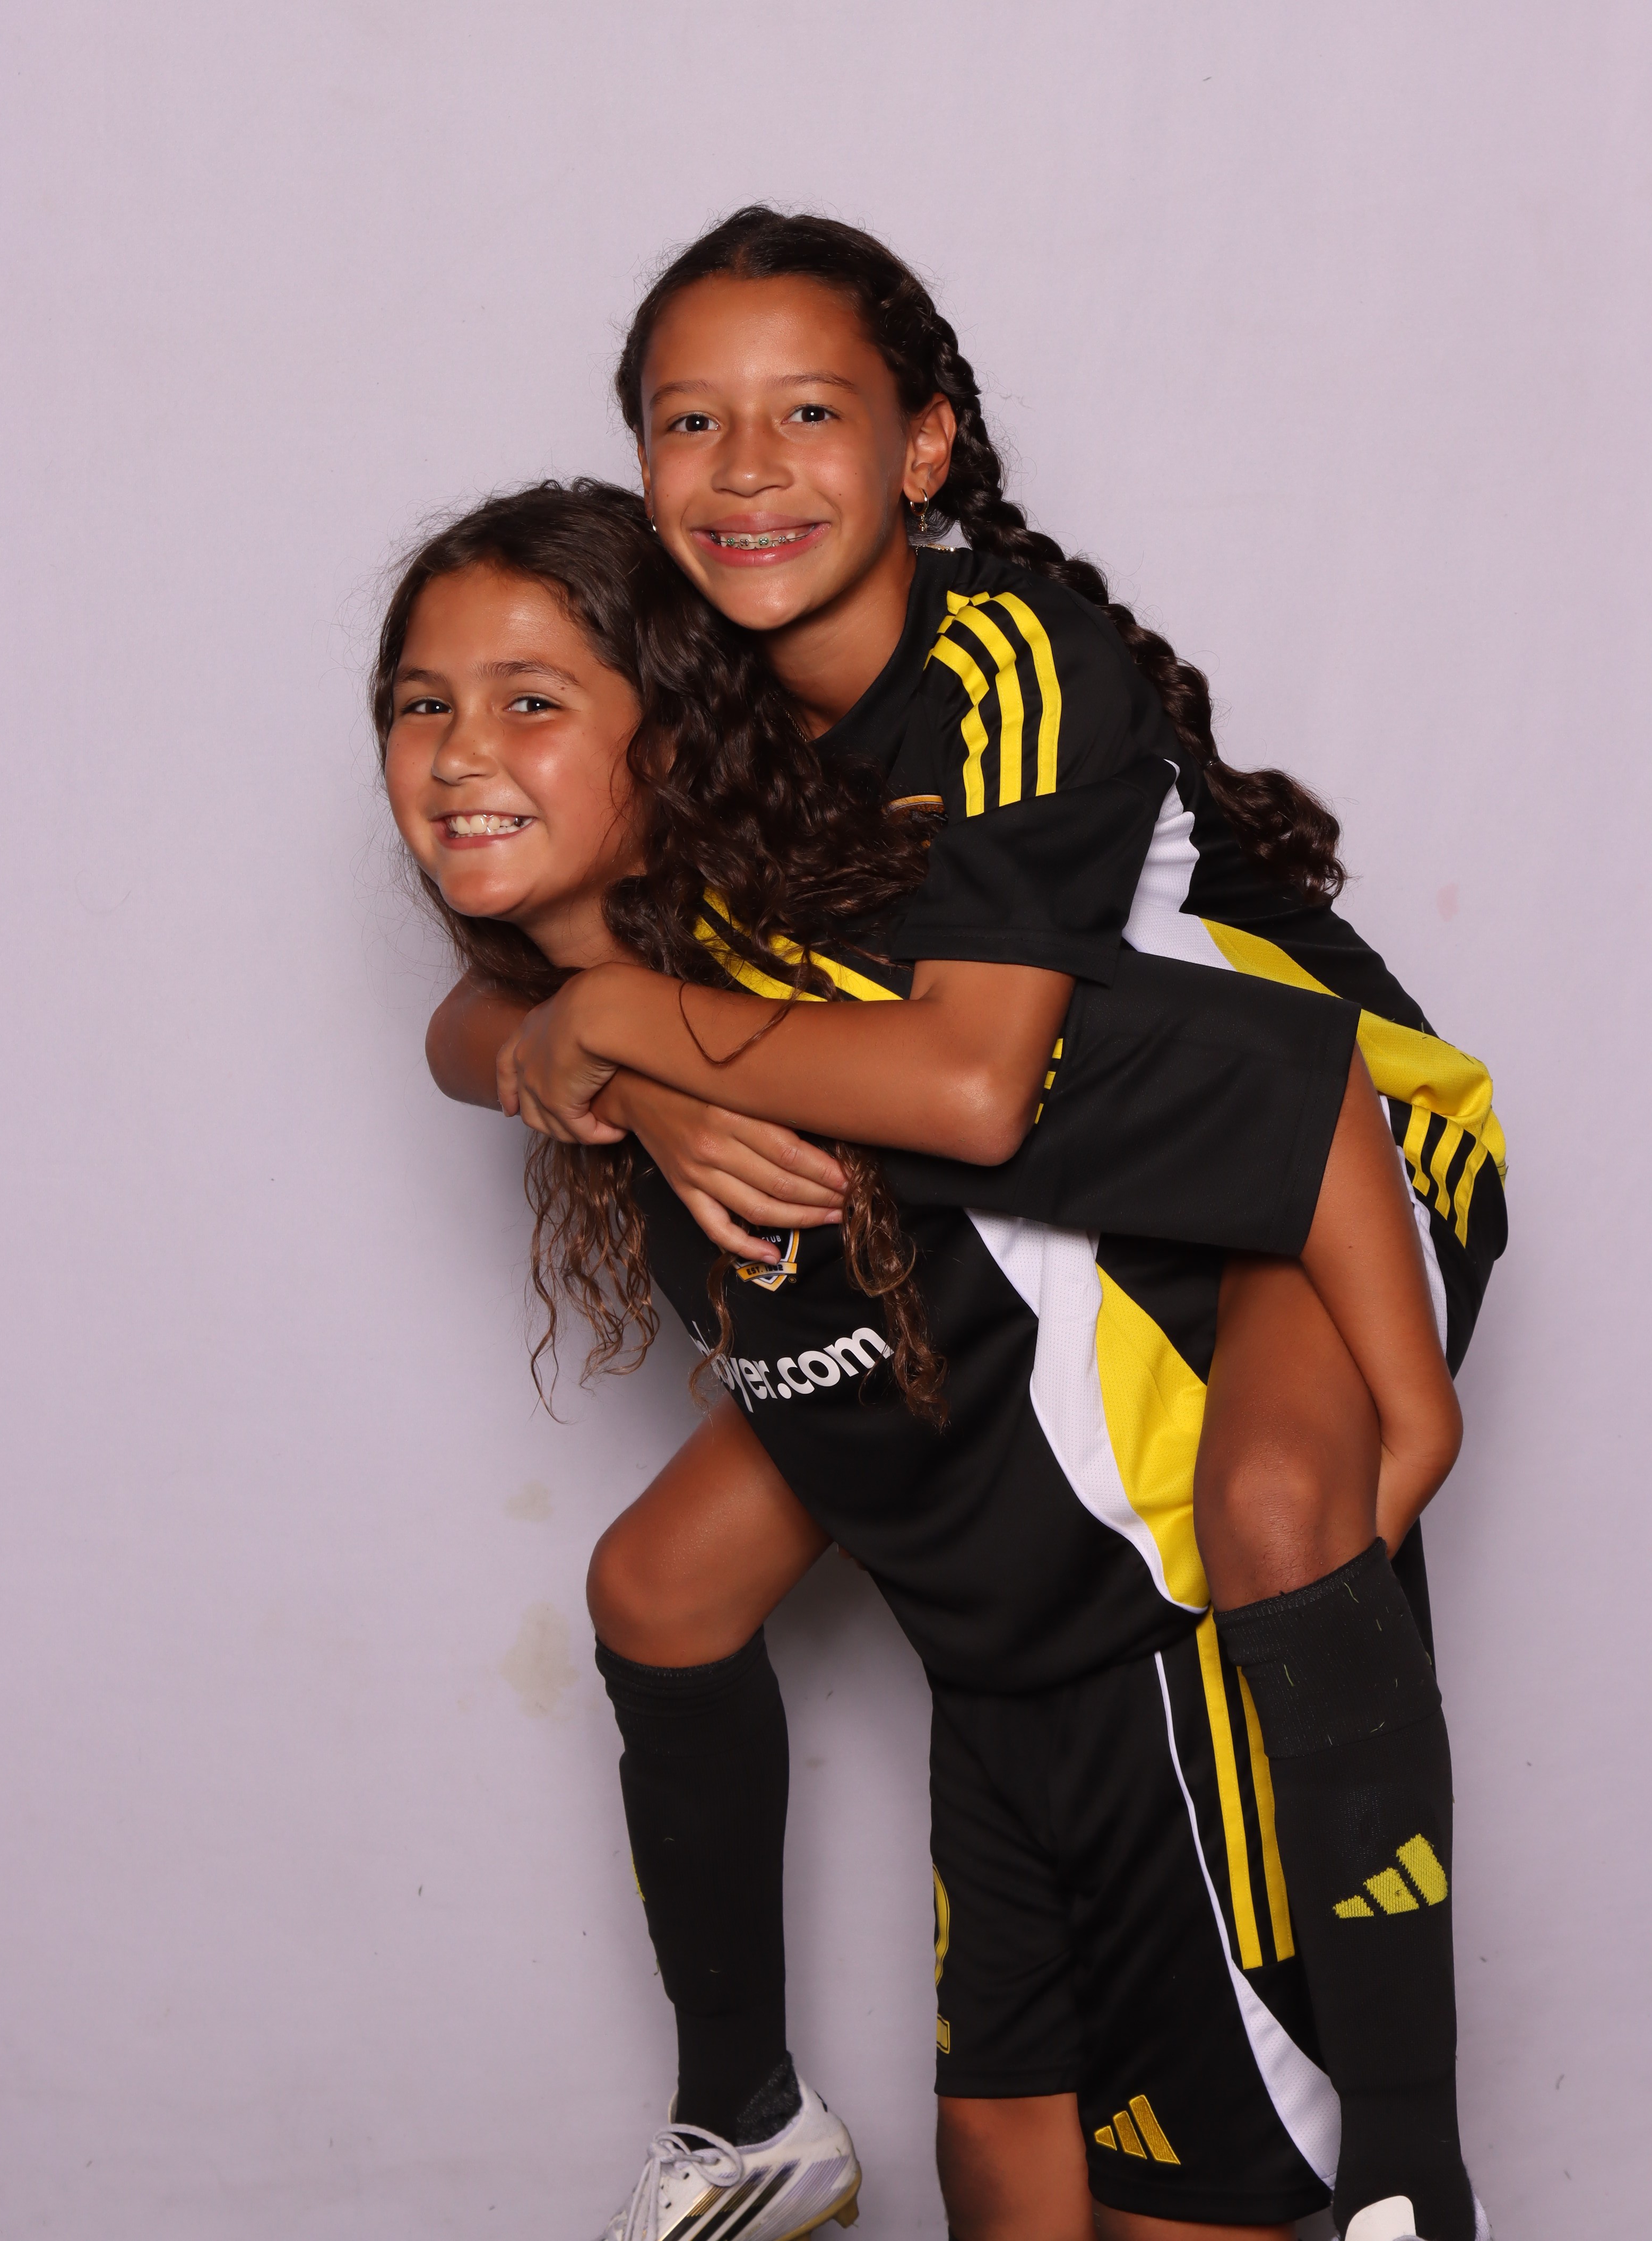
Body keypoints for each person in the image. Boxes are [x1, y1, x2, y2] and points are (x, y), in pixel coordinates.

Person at [428, 216, 1503, 2241]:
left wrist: (628, 1025)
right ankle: (743, 2112)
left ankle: (1412, 2172)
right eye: (690, 422)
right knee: (664, 1579)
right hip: (1086, 1188)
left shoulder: (1005, 661)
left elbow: (973, 1087)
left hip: (1333, 1122)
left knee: (1280, 1506)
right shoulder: (706, 715)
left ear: (925, 446)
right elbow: (485, 1006)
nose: (746, 467)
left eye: (808, 413)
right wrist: (601, 1053)